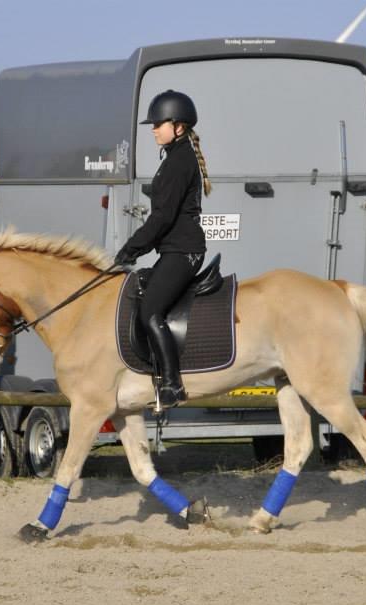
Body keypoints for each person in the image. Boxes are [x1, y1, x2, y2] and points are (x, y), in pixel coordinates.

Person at [114, 89, 213, 409]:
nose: (154, 129)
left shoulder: (177, 163)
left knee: (150, 311)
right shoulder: (176, 157)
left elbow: (162, 217)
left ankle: (172, 385)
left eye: (159, 123)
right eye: (153, 124)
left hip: (183, 252)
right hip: (175, 249)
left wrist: (131, 248)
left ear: (179, 127)